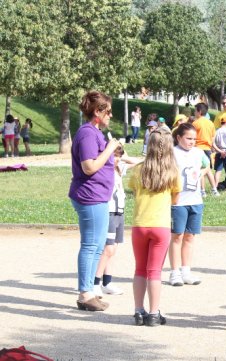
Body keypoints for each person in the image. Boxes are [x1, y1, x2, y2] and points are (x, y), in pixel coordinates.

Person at [70, 91, 120, 312]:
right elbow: (88, 166)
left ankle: (90, 290)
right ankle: (84, 294)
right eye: (108, 111)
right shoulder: (87, 134)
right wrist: (109, 148)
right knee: (90, 245)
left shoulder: (95, 132)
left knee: (98, 245)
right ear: (97, 112)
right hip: (89, 197)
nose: (111, 115)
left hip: (98, 196)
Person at [129, 127, 181, 327]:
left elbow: (134, 190)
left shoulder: (139, 169)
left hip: (140, 224)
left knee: (140, 269)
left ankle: (138, 310)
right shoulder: (173, 172)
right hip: (160, 226)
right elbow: (175, 199)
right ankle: (154, 312)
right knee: (155, 271)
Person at [168, 123, 210, 287]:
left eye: (194, 139)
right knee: (177, 236)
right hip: (178, 201)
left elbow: (207, 165)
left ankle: (186, 270)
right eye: (188, 138)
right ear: (179, 138)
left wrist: (202, 173)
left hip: (195, 200)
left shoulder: (198, 153)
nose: (192, 141)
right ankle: (174, 272)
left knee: (190, 236)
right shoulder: (172, 153)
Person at [93, 146, 139, 297]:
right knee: (108, 249)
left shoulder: (119, 168)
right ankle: (95, 283)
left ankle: (107, 282)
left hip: (119, 212)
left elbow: (138, 162)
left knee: (114, 250)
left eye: (118, 156)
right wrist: (110, 156)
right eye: (114, 156)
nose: (117, 159)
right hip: (109, 212)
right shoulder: (103, 169)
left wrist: (123, 156)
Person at [192, 103, 219, 197]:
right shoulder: (210, 123)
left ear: (199, 112)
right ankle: (214, 189)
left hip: (198, 149)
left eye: (195, 110)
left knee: (200, 169)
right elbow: (213, 137)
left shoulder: (195, 123)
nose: (194, 112)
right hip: (207, 149)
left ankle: (202, 191)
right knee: (207, 170)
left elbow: (192, 136)